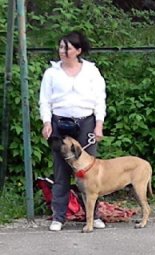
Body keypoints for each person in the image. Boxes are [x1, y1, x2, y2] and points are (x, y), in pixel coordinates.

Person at [39, 31, 107, 232]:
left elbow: (99, 99)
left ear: (78, 50)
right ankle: (58, 216)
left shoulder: (91, 72)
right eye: (61, 47)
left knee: (91, 172)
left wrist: (99, 125)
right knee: (61, 171)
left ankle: (93, 216)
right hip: (60, 122)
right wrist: (46, 122)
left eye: (67, 48)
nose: (63, 51)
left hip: (86, 122)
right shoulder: (51, 73)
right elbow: (45, 100)